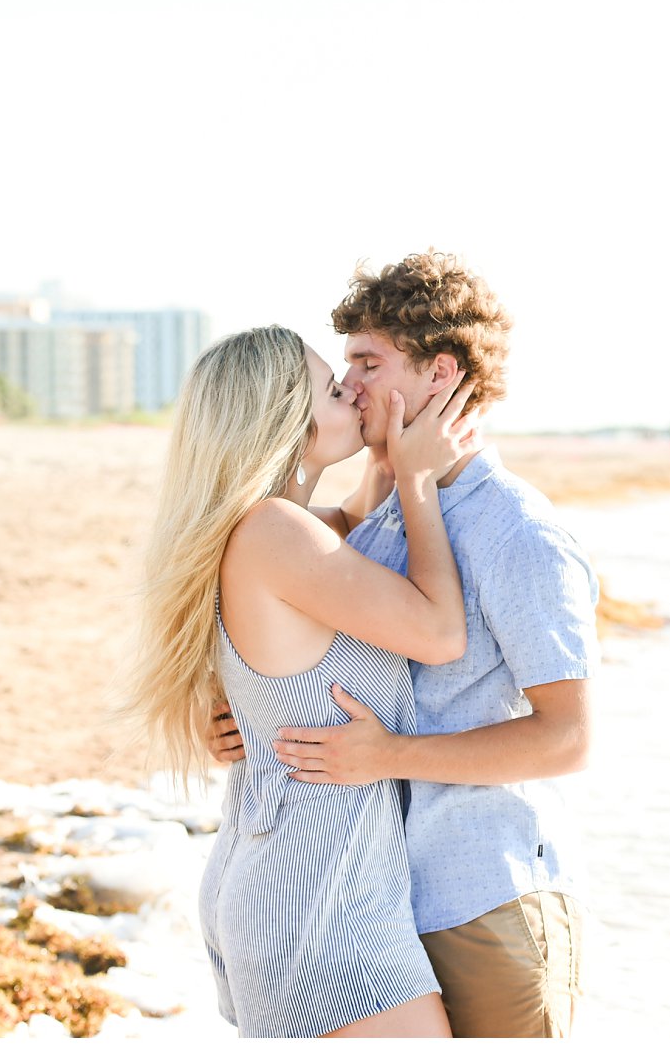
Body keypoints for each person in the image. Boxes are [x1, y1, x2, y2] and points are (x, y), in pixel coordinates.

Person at [211, 254, 598, 1038]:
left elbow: (569, 737)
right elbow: (270, 618)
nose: (350, 386)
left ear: (439, 374)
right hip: (370, 902)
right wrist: (237, 720)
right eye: (344, 366)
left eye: (367, 363)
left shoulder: (518, 534)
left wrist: (388, 756)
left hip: (482, 897)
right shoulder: (383, 519)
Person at [118, 323, 483, 1038]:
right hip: (321, 902)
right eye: (333, 386)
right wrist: (415, 479)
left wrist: (393, 446)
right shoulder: (276, 533)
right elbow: (440, 634)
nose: (352, 389)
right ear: (285, 416)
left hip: (286, 879)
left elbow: (356, 526)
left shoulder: (267, 530)